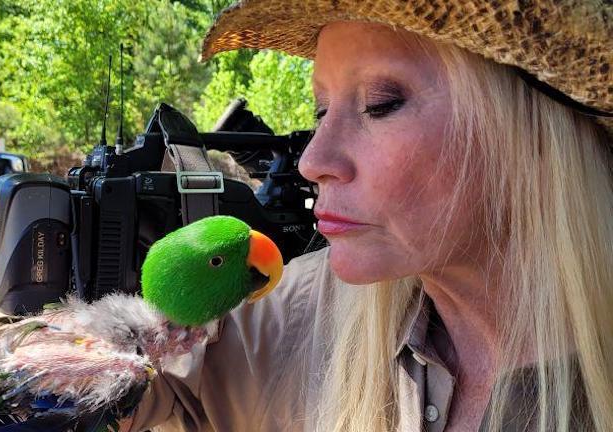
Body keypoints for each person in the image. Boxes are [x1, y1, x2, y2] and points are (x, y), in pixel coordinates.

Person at [122, 0, 613, 431]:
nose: (314, 161)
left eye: (381, 105)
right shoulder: (293, 309)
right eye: (320, 110)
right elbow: (145, 386)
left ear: (538, 135)